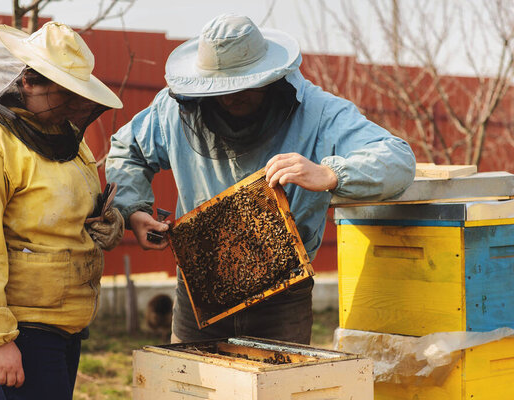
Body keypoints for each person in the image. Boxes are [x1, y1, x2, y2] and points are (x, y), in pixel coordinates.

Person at [105, 14, 416, 344]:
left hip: (283, 295)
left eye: (241, 85)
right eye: (221, 88)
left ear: (269, 75)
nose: (230, 97)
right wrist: (133, 210)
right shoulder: (173, 109)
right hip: (200, 291)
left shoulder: (320, 112)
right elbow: (128, 150)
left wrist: (330, 173)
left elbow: (397, 158)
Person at [0, 22, 124, 399]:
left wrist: (105, 222)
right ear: (28, 82)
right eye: (63, 93)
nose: (72, 104)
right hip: (14, 329)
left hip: (58, 321)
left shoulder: (59, 133)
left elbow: (64, 206)